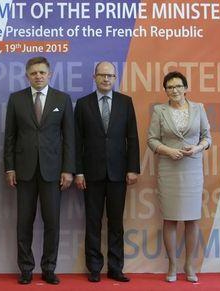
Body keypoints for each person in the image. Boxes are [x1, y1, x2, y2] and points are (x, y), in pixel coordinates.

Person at [4, 56, 75, 285]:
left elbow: (69, 139)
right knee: (24, 222)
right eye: (33, 73)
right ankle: (25, 269)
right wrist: (9, 168)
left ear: (49, 74)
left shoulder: (62, 99)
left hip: (53, 172)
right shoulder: (16, 99)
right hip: (24, 171)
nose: (38, 76)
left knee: (52, 222)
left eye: (42, 72)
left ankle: (49, 268)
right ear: (27, 75)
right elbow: (10, 138)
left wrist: (68, 170)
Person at [74, 61, 140, 283]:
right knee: (92, 222)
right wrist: (78, 172)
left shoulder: (125, 102)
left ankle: (115, 267)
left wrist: (132, 168)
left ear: (115, 78)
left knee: (116, 223)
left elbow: (132, 138)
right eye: (102, 75)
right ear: (94, 77)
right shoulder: (83, 104)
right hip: (91, 174)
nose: (105, 79)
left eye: (110, 76)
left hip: (118, 173)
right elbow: (76, 141)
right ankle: (94, 267)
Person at [147, 71, 211, 283]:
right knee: (171, 219)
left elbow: (207, 138)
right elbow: (152, 140)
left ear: (185, 88)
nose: (174, 90)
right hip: (169, 168)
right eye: (170, 87)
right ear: (165, 90)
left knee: (192, 219)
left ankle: (190, 265)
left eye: (178, 86)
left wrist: (197, 148)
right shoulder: (160, 110)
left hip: (192, 168)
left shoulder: (199, 108)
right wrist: (167, 150)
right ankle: (172, 265)